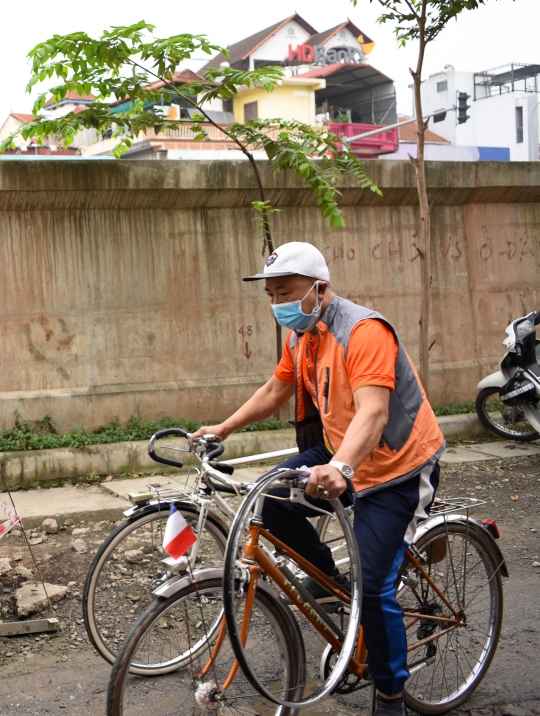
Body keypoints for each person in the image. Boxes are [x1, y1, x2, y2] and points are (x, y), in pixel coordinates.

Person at [192, 242, 445, 716]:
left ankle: (390, 693)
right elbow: (275, 389)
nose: (276, 304)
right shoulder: (302, 335)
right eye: (269, 295)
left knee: (373, 584)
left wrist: (342, 468)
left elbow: (374, 411)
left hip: (396, 466)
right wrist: (224, 426)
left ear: (319, 289)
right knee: (267, 499)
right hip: (340, 450)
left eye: (284, 292)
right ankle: (331, 581)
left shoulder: (364, 332)